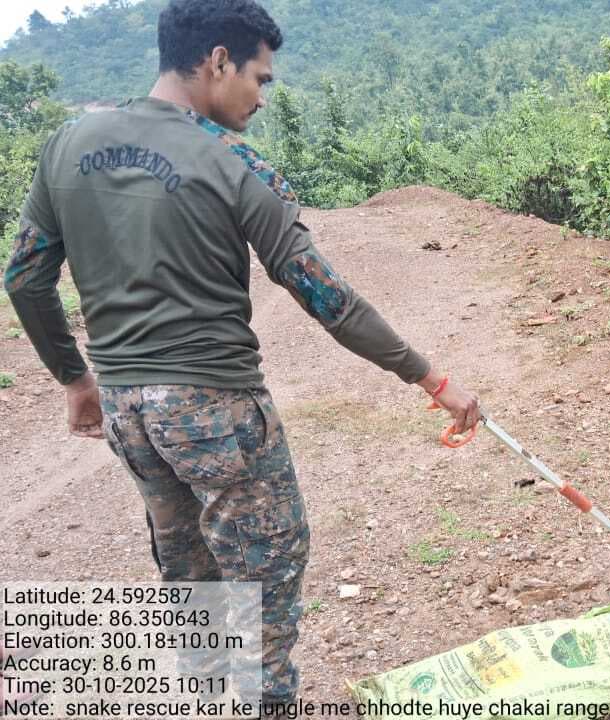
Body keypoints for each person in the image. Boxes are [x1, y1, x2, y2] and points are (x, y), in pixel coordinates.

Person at [2, 0, 480, 709]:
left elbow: (25, 277)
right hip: (215, 406)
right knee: (265, 585)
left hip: (129, 412)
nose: (263, 94)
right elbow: (329, 299)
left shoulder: (67, 144)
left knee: (187, 573)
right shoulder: (234, 161)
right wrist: (429, 377)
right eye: (259, 75)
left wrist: (77, 381)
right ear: (217, 60)